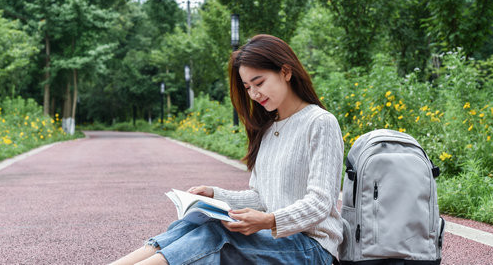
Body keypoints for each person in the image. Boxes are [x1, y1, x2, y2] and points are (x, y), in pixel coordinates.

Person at [111, 34, 344, 265]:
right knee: (197, 221)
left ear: (285, 72)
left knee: (217, 235)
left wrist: (269, 221)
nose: (254, 94)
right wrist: (215, 195)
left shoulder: (320, 122)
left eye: (259, 82)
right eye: (247, 87)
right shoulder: (268, 128)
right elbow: (261, 197)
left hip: (312, 249)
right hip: (276, 241)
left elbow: (320, 203)